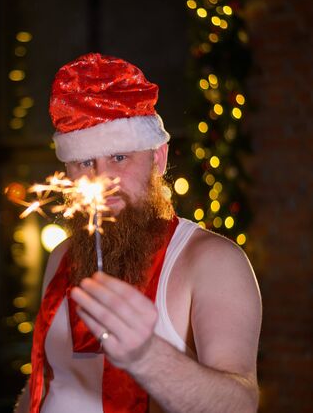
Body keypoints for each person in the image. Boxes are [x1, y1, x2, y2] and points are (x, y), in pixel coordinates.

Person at [14, 53, 261, 413]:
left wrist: (145, 356)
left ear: (158, 159)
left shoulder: (212, 261)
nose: (102, 179)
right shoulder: (63, 256)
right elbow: (49, 382)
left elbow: (240, 405)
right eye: (86, 162)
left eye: (119, 157)